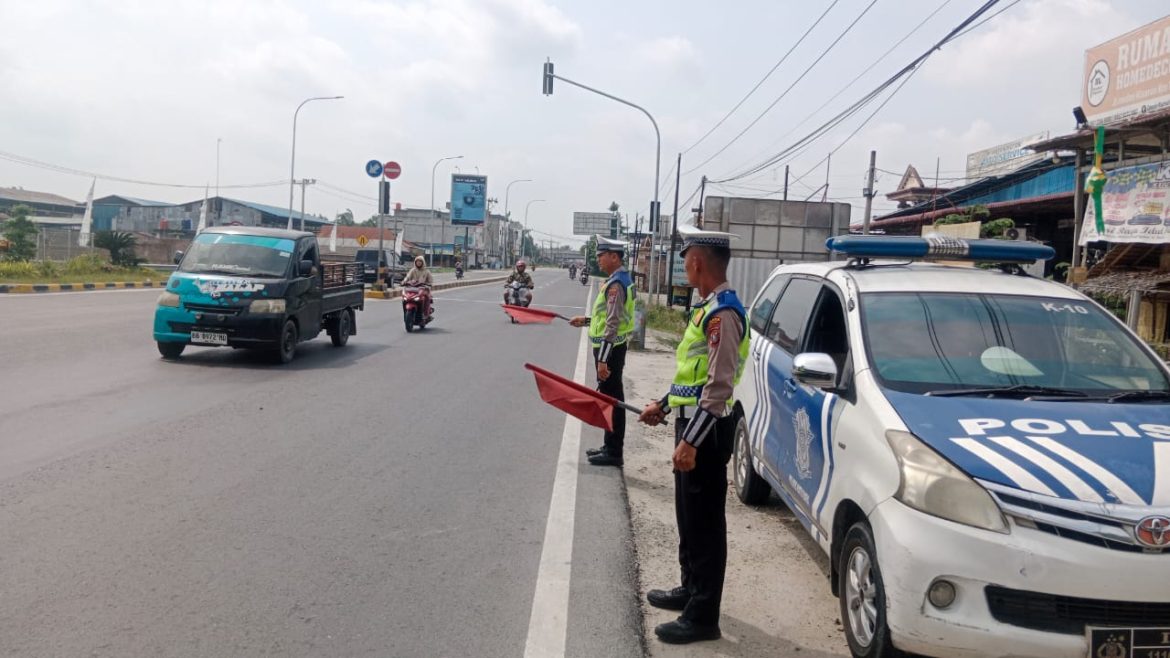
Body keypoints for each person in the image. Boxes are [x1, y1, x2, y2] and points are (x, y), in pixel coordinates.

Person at [638, 225, 749, 644]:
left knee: (704, 525)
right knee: (688, 517)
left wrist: (690, 441)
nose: (684, 267)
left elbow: (718, 389)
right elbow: (692, 377)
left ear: (698, 262)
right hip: (690, 424)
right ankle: (690, 589)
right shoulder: (706, 309)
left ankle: (704, 616)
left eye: (685, 260)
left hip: (705, 432)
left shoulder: (723, 315)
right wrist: (663, 405)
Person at [569, 236, 635, 467]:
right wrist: (586, 320)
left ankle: (614, 451)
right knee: (610, 398)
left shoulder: (616, 284)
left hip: (611, 351)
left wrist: (603, 360)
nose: (598, 259)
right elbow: (604, 318)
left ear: (614, 257)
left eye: (601, 255)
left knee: (613, 400)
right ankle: (609, 445)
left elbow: (613, 324)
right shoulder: (616, 281)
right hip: (612, 348)